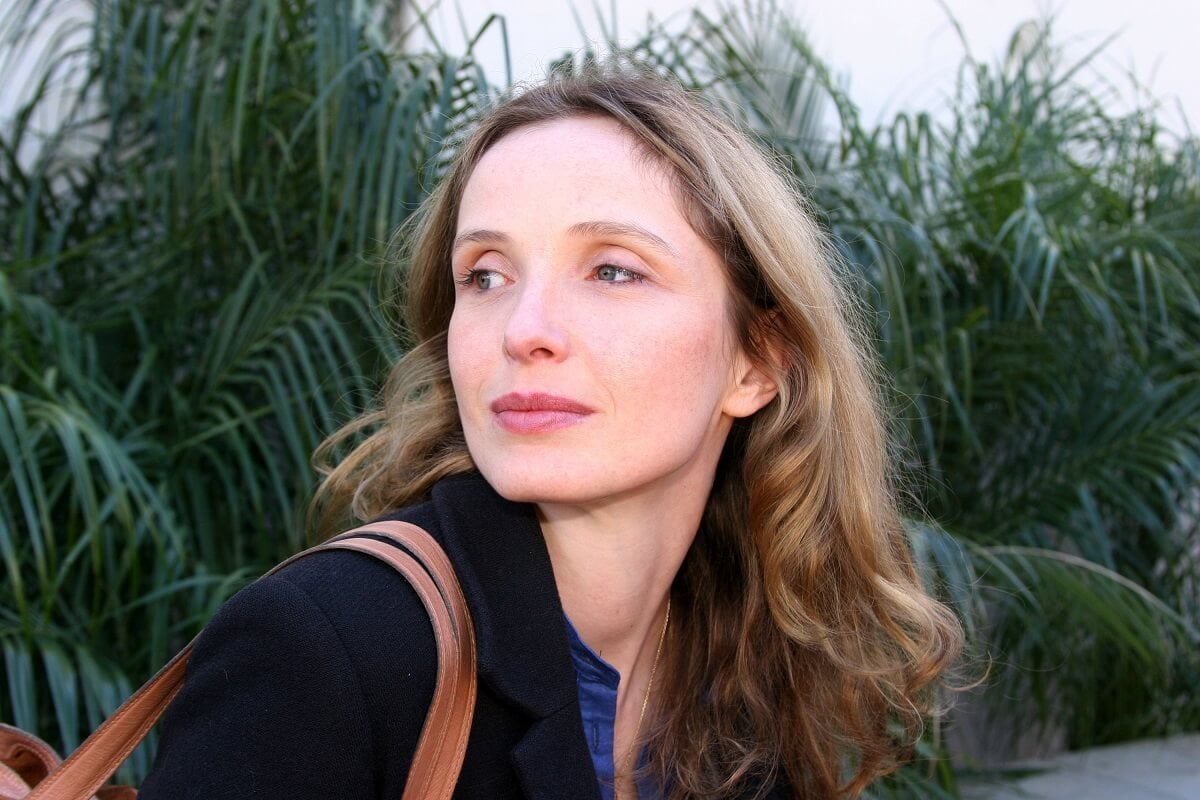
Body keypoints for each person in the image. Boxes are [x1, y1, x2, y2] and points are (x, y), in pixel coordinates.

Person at [138, 68, 962, 800]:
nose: (524, 329)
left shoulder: (747, 664)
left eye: (612, 269)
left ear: (756, 361)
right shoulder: (330, 650)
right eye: (485, 276)